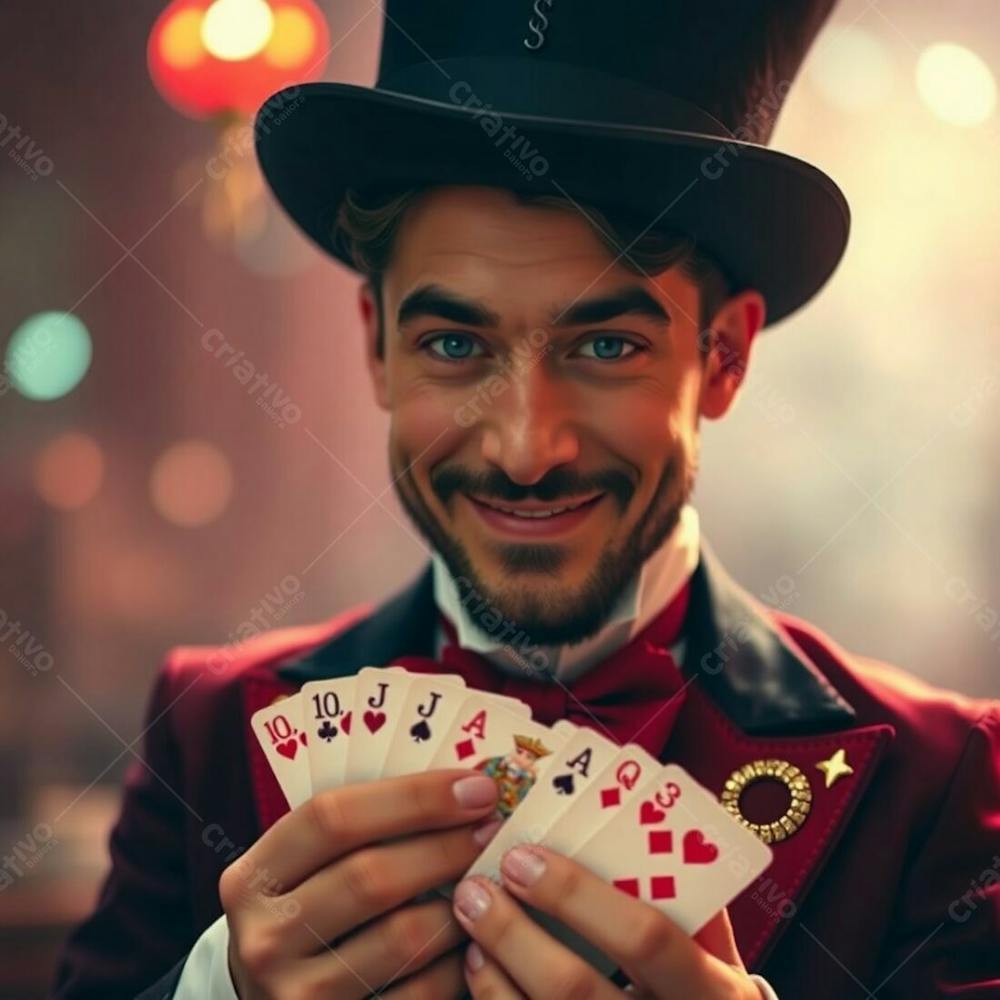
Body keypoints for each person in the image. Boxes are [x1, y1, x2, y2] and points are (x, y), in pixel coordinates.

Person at [53, 1, 1000, 998]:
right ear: (377, 346)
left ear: (722, 357)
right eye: (455, 346)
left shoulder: (940, 780)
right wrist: (217, 987)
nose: (525, 447)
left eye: (605, 346)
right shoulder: (204, 728)